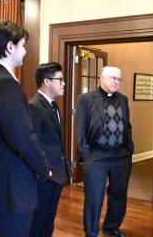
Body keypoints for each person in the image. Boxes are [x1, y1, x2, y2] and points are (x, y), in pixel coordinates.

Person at [0, 20, 51, 237]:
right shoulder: (4, 84)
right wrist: (45, 168)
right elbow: (23, 138)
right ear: (9, 47)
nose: (25, 51)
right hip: (11, 192)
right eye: (23, 45)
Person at [75, 66, 134, 237]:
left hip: (121, 155)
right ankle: (91, 232)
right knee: (94, 196)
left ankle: (111, 227)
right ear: (102, 78)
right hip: (96, 156)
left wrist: (129, 147)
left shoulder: (123, 99)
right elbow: (80, 129)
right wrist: (86, 153)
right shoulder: (85, 99)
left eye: (118, 79)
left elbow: (127, 126)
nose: (116, 82)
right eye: (112, 78)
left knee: (119, 194)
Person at [28, 62, 72, 237]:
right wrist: (44, 172)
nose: (63, 84)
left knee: (48, 219)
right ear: (47, 81)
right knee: (37, 222)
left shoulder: (53, 105)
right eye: (60, 80)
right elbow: (33, 144)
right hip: (44, 177)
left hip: (57, 174)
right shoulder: (34, 106)